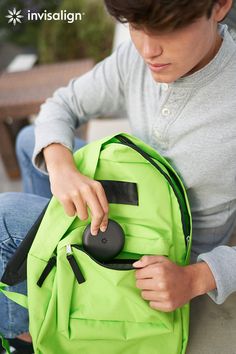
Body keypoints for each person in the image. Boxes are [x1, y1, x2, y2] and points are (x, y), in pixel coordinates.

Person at [1, 0, 236, 352]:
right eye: (135, 26)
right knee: (28, 142)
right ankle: (53, 286)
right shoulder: (135, 61)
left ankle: (25, 334)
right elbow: (61, 105)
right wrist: (62, 168)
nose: (148, 50)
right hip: (133, 199)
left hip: (162, 254)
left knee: (4, 214)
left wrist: (197, 277)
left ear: (220, 6)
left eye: (167, 29)